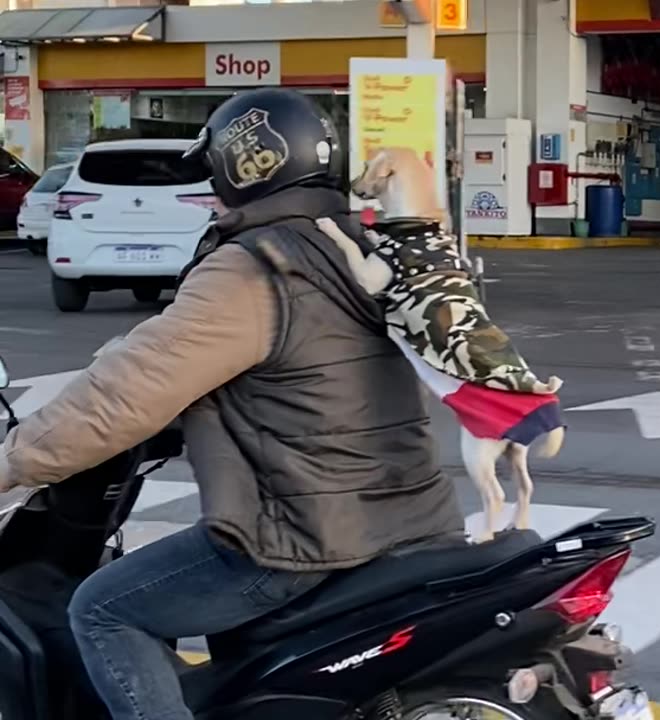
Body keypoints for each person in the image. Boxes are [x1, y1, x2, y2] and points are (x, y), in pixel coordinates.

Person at [0, 88, 463, 720]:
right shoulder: (353, 246)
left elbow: (118, 400)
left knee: (105, 608)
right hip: (410, 517)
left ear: (244, 170)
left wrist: (11, 463)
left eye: (213, 174)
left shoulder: (254, 269)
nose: (211, 193)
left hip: (306, 535)